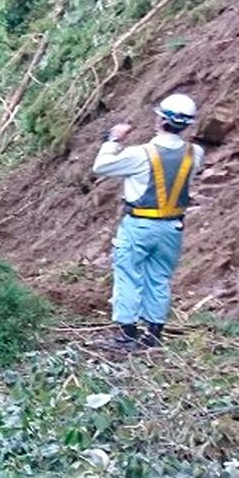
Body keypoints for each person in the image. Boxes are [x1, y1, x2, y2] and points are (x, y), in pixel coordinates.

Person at [91, 93, 203, 348]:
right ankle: (153, 334)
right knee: (159, 277)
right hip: (172, 227)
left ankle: (128, 334)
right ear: (186, 124)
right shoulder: (195, 153)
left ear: (161, 120)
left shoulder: (141, 153)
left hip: (139, 224)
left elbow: (101, 166)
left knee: (128, 275)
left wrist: (113, 140)